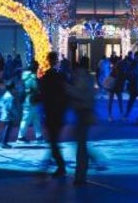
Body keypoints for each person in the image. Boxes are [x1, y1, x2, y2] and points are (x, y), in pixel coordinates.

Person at [38, 51, 68, 177]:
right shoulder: (61, 76)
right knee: (53, 139)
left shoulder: (46, 77)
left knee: (53, 140)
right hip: (59, 111)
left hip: (50, 111)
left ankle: (60, 165)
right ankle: (53, 163)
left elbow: (42, 94)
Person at [68, 56, 96, 185]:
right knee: (80, 142)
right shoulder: (89, 78)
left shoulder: (82, 78)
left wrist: (67, 88)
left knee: (80, 143)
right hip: (85, 112)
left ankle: (81, 175)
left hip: (82, 112)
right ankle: (83, 170)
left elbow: (80, 93)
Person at [17, 60, 43, 143]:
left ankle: (39, 136)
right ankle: (20, 137)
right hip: (31, 99)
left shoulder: (25, 76)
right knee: (28, 118)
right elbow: (35, 87)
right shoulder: (32, 77)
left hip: (27, 99)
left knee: (34, 118)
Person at [0, 81, 18, 148]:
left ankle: (3, 142)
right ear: (11, 88)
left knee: (7, 129)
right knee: (7, 129)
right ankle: (4, 143)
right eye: (14, 88)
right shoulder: (9, 97)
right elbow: (11, 107)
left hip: (6, 114)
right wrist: (15, 114)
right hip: (8, 115)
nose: (15, 89)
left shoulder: (6, 95)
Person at [107, 56, 126, 121]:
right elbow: (119, 76)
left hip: (113, 84)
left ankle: (110, 116)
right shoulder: (117, 67)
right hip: (116, 85)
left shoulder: (114, 67)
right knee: (119, 100)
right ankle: (121, 115)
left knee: (111, 100)